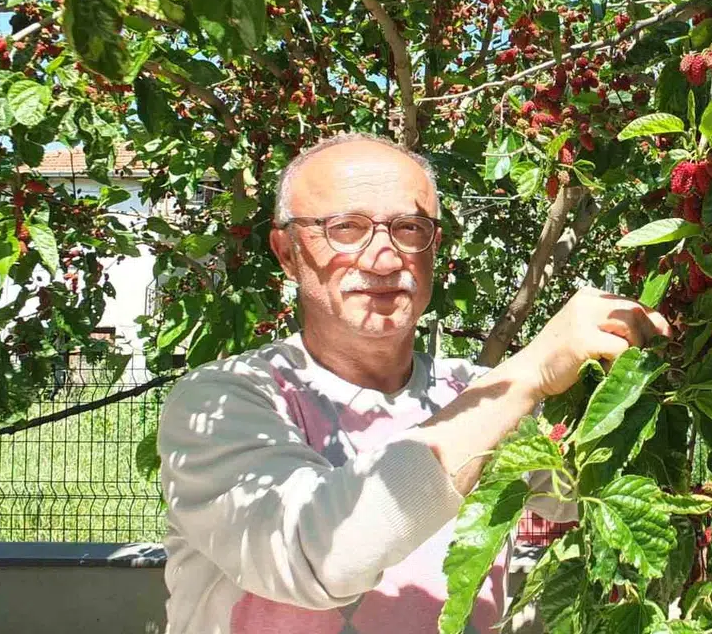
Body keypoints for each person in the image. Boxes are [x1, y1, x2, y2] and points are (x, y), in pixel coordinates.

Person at [157, 132, 671, 634]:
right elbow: (316, 555)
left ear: (434, 249)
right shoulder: (224, 402)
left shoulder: (475, 392)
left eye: (407, 228)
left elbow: (578, 494)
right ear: (287, 252)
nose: (383, 259)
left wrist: (637, 390)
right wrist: (529, 371)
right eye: (346, 227)